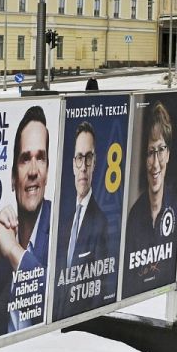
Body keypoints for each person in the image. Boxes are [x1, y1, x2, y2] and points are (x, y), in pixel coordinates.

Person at [0, 106, 52, 343]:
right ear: (13, 177)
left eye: (41, 158)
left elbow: (54, 301)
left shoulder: (63, 228)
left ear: (48, 171)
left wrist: (15, 252)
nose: (34, 171)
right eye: (25, 159)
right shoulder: (3, 248)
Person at [55, 122, 112, 316]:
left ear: (95, 163)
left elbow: (100, 287)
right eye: (80, 158)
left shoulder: (100, 222)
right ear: (73, 164)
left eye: (89, 158)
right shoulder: (63, 224)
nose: (84, 167)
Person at [124, 102, 177, 290]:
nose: (156, 164)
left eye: (161, 150)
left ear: (169, 154)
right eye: (150, 152)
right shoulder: (134, 216)